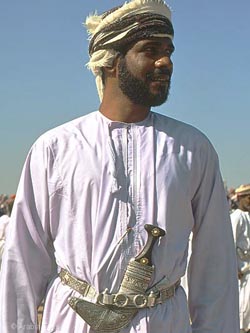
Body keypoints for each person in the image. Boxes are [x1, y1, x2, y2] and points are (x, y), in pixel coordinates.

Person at [0, 1, 239, 332]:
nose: (165, 62)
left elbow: (216, 269)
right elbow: (21, 265)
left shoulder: (193, 149)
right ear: (111, 62)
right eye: (150, 50)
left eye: (169, 51)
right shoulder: (55, 149)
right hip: (76, 321)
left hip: (163, 323)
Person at [231, 184, 250, 333]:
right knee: (243, 302)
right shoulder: (236, 217)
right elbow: (230, 243)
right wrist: (234, 268)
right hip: (241, 268)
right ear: (240, 198)